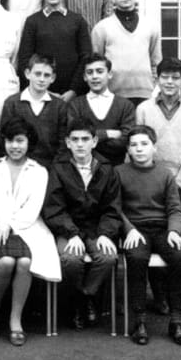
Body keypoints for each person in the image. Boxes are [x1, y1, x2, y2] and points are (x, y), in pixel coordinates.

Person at [0, 118, 61, 346]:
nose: (15, 146)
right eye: (10, 140)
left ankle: (15, 319)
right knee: (5, 261)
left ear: (28, 142)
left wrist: (8, 225)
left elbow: (32, 210)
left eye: (20, 141)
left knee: (24, 261)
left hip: (27, 228)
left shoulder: (39, 171)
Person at [136, 57, 181, 315]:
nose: (169, 82)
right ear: (157, 79)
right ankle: (159, 296)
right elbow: (138, 144)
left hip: (179, 186)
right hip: (149, 185)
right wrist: (149, 180)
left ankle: (173, 301)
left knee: (174, 243)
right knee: (152, 239)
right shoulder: (144, 109)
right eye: (165, 76)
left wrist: (177, 182)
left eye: (175, 78)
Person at [42, 118, 121, 331]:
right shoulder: (58, 169)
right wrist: (71, 233)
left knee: (108, 257)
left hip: (96, 229)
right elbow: (54, 208)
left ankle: (85, 296)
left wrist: (105, 233)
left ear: (94, 142)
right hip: (68, 228)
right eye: (75, 139)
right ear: (68, 142)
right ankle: (76, 302)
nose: (80, 144)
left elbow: (112, 209)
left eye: (85, 139)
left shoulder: (107, 169)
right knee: (70, 260)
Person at [117, 125, 181, 346]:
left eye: (144, 144)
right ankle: (139, 320)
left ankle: (177, 321)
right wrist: (128, 229)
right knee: (137, 258)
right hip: (135, 230)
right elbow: (114, 207)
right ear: (128, 150)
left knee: (180, 257)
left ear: (154, 148)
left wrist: (174, 231)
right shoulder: (119, 172)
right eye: (134, 145)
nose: (139, 149)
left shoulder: (165, 174)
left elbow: (175, 208)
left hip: (162, 229)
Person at [17, 0, 92, 102]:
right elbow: (24, 59)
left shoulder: (77, 20)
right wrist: (44, 91)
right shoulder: (33, 21)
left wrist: (74, 90)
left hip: (73, 95)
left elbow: (86, 57)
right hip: (41, 93)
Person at [91, 0, 162, 105]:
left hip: (145, 94)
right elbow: (96, 64)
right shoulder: (101, 28)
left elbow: (156, 62)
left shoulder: (151, 26)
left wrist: (155, 88)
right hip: (112, 95)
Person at [1, 54, 68, 169]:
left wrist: (55, 170)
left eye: (47, 75)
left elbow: (63, 144)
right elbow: (5, 139)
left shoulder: (60, 106)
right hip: (19, 167)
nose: (42, 79)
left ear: (53, 78)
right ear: (27, 74)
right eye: (37, 74)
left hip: (51, 168)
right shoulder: (12, 103)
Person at [67, 53, 136, 166]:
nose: (94, 76)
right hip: (84, 169)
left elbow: (126, 140)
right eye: (90, 72)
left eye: (99, 71)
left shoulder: (125, 105)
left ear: (109, 74)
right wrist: (108, 133)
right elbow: (74, 139)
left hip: (116, 169)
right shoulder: (75, 105)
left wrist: (90, 140)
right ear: (84, 77)